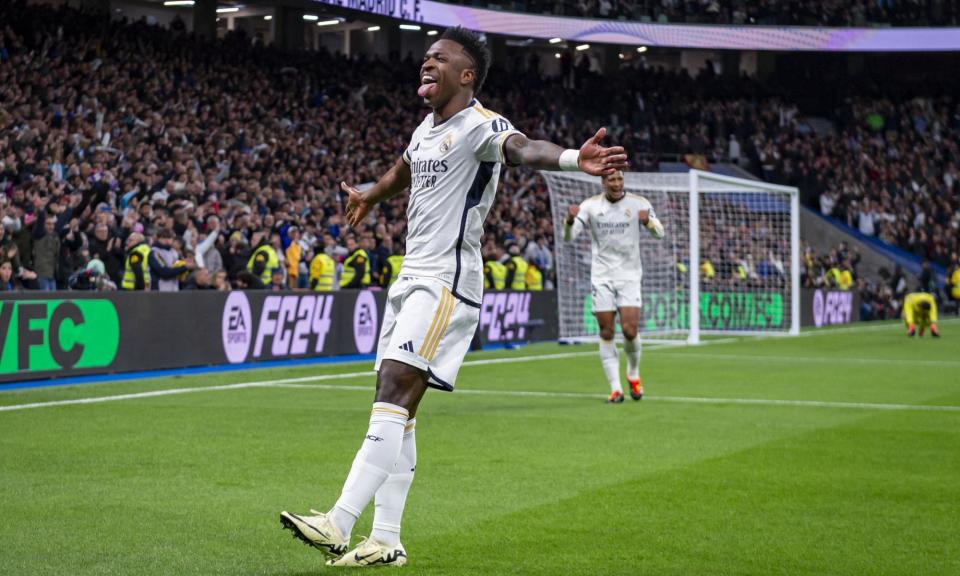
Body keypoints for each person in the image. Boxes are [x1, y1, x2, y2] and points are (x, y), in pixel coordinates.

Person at [280, 26, 627, 567]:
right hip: (410, 276)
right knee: (400, 410)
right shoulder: (425, 129)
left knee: (393, 390)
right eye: (425, 56)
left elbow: (523, 148)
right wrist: (372, 193)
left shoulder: (480, 125)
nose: (426, 62)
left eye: (439, 58)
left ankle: (337, 521)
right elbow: (405, 166)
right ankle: (387, 539)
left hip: (447, 280)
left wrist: (569, 160)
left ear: (467, 75)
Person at [563, 169, 664, 403]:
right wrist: (569, 221)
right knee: (607, 331)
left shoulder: (639, 203)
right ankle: (616, 388)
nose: (617, 183)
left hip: (629, 275)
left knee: (630, 330)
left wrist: (648, 222)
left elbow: (660, 233)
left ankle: (633, 373)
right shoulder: (589, 206)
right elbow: (569, 237)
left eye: (619, 179)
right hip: (602, 276)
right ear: (603, 182)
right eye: (612, 180)